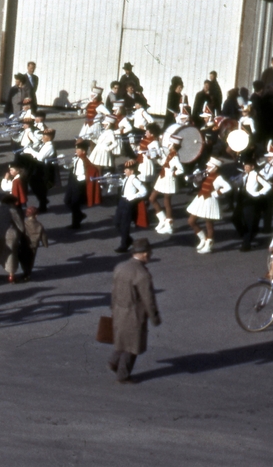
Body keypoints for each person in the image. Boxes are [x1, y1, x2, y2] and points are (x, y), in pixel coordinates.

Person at [108, 238, 161, 383]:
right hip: (134, 314)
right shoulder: (142, 274)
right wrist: (154, 317)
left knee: (122, 339)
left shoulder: (120, 267)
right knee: (132, 346)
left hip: (119, 310)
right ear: (144, 254)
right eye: (149, 252)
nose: (150, 255)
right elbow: (148, 299)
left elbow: (114, 290)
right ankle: (123, 375)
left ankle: (113, 362)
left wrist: (113, 307)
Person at [186, 157, 232, 254]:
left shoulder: (218, 177)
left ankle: (209, 244)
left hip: (210, 200)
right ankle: (203, 238)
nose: (206, 167)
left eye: (209, 166)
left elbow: (228, 187)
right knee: (191, 221)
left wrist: (217, 193)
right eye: (207, 165)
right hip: (200, 199)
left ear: (215, 168)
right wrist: (195, 179)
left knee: (209, 224)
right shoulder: (205, 175)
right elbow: (197, 186)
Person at [0, 194, 24, 283]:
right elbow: (21, 226)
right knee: (11, 254)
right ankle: (11, 275)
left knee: (0, 251)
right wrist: (22, 234)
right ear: (11, 202)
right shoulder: (12, 211)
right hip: (9, 235)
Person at [114, 161, 149, 253]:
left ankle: (124, 245)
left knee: (125, 225)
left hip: (128, 203)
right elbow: (122, 186)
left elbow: (144, 191)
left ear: (132, 171)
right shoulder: (127, 178)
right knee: (117, 223)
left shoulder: (134, 180)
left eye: (126, 169)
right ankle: (128, 240)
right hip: (122, 201)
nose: (124, 171)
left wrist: (133, 197)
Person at [238, 160, 271, 252]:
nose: (245, 168)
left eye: (247, 166)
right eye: (245, 166)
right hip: (243, 199)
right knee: (243, 220)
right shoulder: (244, 175)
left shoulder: (256, 175)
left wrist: (258, 193)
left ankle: (246, 244)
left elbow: (268, 186)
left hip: (251, 199)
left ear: (252, 167)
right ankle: (249, 238)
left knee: (249, 222)